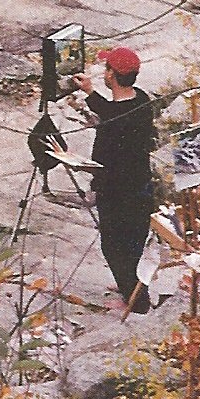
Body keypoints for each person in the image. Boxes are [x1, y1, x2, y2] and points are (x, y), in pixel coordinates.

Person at [73, 47, 156, 314]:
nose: (103, 73)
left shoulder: (117, 119)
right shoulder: (141, 101)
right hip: (139, 186)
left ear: (112, 74)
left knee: (115, 246)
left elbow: (111, 119)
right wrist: (90, 93)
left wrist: (89, 174)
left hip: (119, 192)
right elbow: (111, 112)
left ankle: (136, 303)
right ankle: (130, 287)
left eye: (106, 69)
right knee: (132, 243)